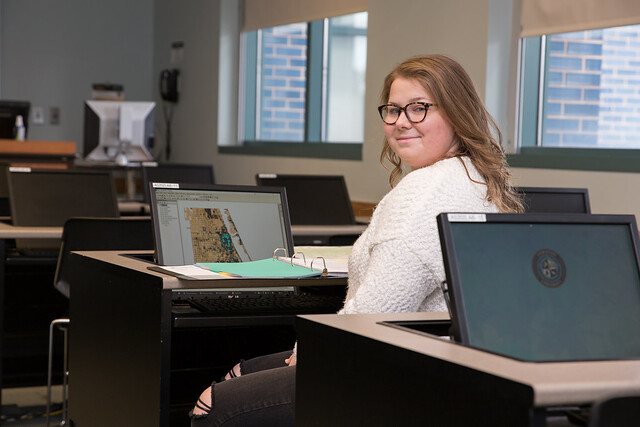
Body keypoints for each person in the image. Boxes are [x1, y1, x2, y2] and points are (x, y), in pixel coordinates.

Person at [190, 53, 523, 426]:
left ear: (457, 112)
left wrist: (310, 350)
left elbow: (377, 309)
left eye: (419, 108)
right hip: (448, 366)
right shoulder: (471, 177)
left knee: (213, 406)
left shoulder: (425, 193)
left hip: (399, 372)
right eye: (393, 110)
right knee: (242, 371)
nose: (401, 122)